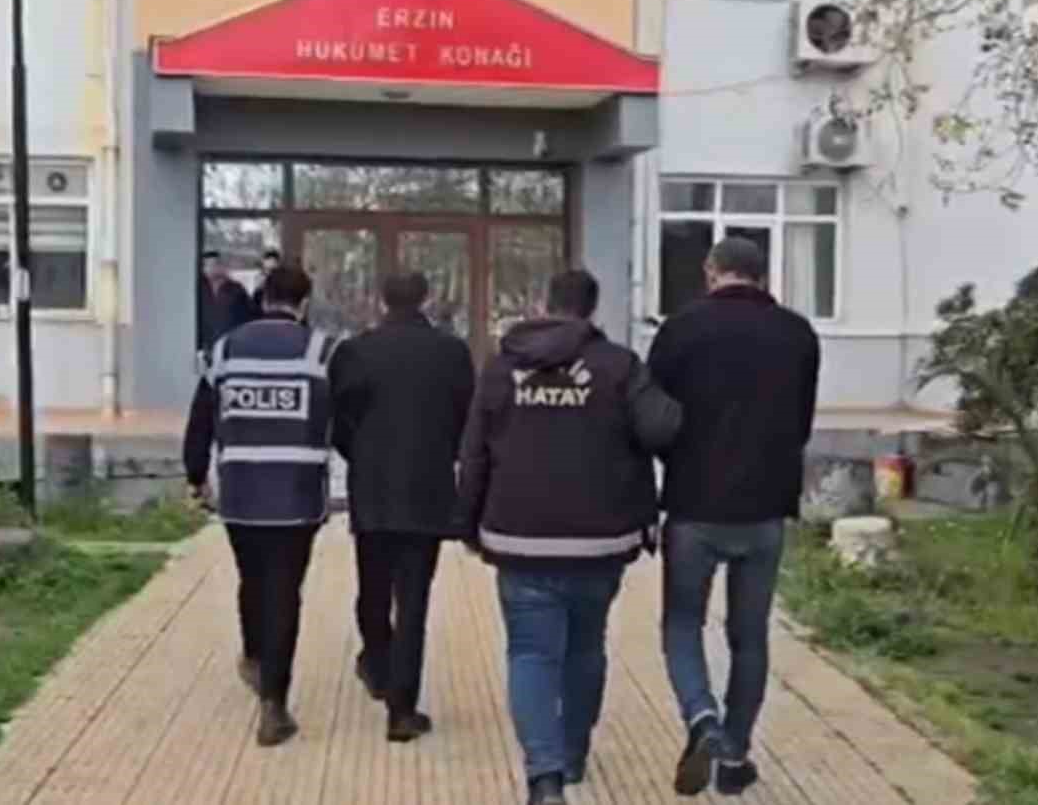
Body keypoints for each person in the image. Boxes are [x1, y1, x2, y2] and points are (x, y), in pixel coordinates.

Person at [457, 270, 682, 805]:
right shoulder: (618, 366)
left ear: (544, 304)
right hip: (600, 539)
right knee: (585, 648)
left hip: (520, 536)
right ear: (591, 309)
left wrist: (468, 524)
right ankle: (574, 754)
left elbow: (474, 452)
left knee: (531, 653)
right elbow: (660, 430)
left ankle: (545, 776)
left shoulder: (502, 367)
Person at [647, 237, 821, 797]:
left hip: (694, 505)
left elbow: (653, 419)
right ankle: (735, 753)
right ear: (762, 275)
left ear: (711, 271)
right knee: (750, 636)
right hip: (766, 507)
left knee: (682, 624)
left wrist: (673, 466)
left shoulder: (679, 331)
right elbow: (801, 423)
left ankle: (703, 720)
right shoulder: (798, 333)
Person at [182, 266, 338, 748]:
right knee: (285, 591)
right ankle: (274, 702)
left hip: (241, 491)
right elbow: (345, 419)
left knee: (252, 578)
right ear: (304, 303)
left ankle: (253, 655)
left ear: (263, 298)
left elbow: (201, 419)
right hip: (297, 494)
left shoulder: (225, 351)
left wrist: (195, 475)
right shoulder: (321, 352)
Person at [330, 272, 475, 743]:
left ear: (381, 299)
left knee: (372, 586)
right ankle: (402, 709)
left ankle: (377, 662)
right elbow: (466, 420)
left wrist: (361, 455)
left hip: (372, 486)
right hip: (428, 489)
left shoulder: (355, 352)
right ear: (426, 299)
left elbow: (340, 422)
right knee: (413, 601)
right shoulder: (451, 354)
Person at [199, 250, 255, 354]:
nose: (212, 268)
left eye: (216, 264)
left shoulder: (236, 289)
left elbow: (248, 316)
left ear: (222, 266)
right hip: (204, 347)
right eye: (208, 265)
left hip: (231, 345)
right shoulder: (198, 290)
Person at [250, 249, 282, 316]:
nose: (271, 263)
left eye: (274, 261)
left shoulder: (280, 279)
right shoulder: (259, 277)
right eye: (268, 260)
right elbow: (255, 298)